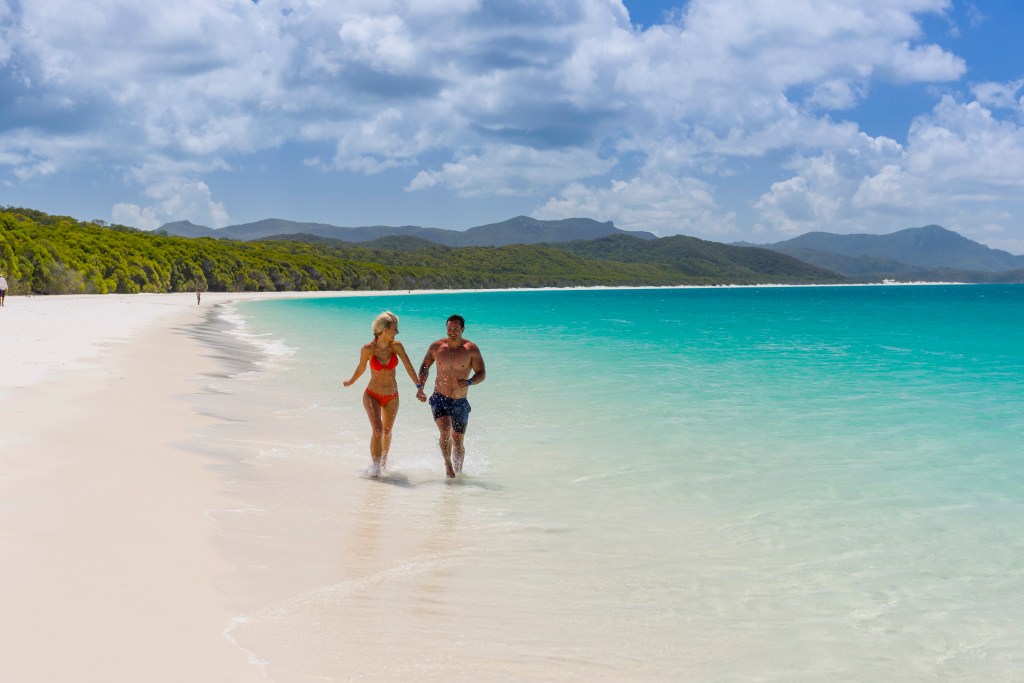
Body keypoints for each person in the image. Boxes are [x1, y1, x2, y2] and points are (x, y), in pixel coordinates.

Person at [343, 311, 423, 477]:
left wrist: (419, 387)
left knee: (387, 432)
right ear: (385, 329)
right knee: (378, 430)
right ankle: (376, 468)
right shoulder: (368, 349)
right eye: (395, 328)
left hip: (392, 396)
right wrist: (351, 381)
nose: (397, 332)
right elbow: (361, 368)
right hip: (372, 394)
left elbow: (409, 366)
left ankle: (383, 463)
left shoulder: (397, 346)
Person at [417, 314, 486, 478]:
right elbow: (425, 366)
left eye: (456, 328)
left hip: (460, 401)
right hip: (440, 397)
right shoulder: (437, 347)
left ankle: (459, 472)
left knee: (458, 440)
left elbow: (482, 373)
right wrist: (420, 387)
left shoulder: (471, 349)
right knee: (445, 430)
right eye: (449, 328)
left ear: (462, 329)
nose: (452, 331)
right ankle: (448, 465)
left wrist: (469, 382)